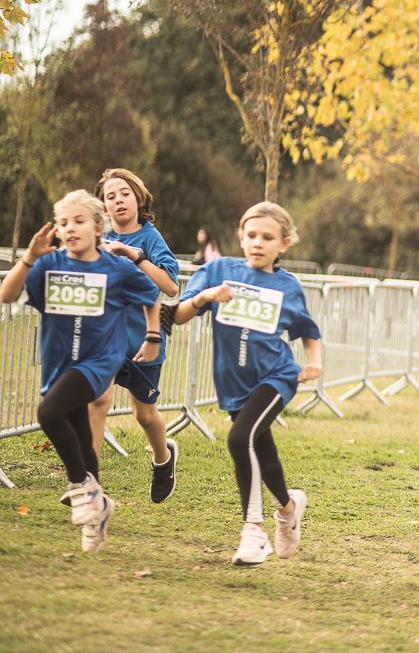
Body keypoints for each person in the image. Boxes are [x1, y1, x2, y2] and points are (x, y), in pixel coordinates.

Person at [0, 190, 161, 553]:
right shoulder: (49, 264)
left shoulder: (116, 269)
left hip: (99, 362)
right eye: (63, 223)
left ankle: (80, 488)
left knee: (48, 413)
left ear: (98, 227)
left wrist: (152, 337)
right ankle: (98, 511)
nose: (70, 228)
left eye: (79, 221)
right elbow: (7, 295)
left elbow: (152, 295)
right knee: (78, 430)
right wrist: (28, 257)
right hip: (58, 363)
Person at [173, 202, 321, 566]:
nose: (257, 243)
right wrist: (206, 297)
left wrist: (314, 362)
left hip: (276, 377)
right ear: (240, 237)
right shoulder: (219, 270)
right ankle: (288, 509)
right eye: (251, 235)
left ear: (284, 244)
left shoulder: (287, 285)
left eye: (267, 237)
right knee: (263, 453)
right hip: (233, 382)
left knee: (240, 438)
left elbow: (307, 329)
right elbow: (176, 316)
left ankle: (253, 531)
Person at [90, 168, 181, 502]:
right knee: (96, 401)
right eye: (110, 196)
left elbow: (171, 287)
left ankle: (163, 457)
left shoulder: (149, 238)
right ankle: (88, 480)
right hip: (104, 339)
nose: (118, 200)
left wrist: (136, 257)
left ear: (138, 197)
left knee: (143, 414)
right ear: (102, 205)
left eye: (124, 193)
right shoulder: (95, 238)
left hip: (145, 340)